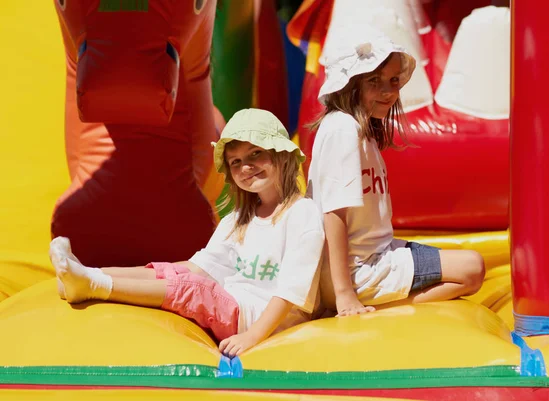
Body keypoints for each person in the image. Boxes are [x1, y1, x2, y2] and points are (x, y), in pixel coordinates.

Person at [49, 108, 324, 357]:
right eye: (236, 162)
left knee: (194, 290)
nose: (246, 167)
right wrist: (158, 271)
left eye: (256, 154)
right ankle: (90, 273)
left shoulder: (302, 213)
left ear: (282, 155)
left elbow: (291, 291)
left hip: (260, 318)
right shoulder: (239, 220)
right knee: (175, 272)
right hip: (234, 307)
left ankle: (96, 285)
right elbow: (198, 267)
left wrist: (252, 336)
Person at [307, 27, 485, 317]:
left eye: (393, 81)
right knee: (472, 269)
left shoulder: (358, 129)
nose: (389, 92)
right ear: (349, 84)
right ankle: (371, 306)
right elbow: (333, 214)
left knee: (467, 266)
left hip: (374, 256)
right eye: (374, 81)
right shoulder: (343, 129)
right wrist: (343, 294)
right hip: (359, 269)